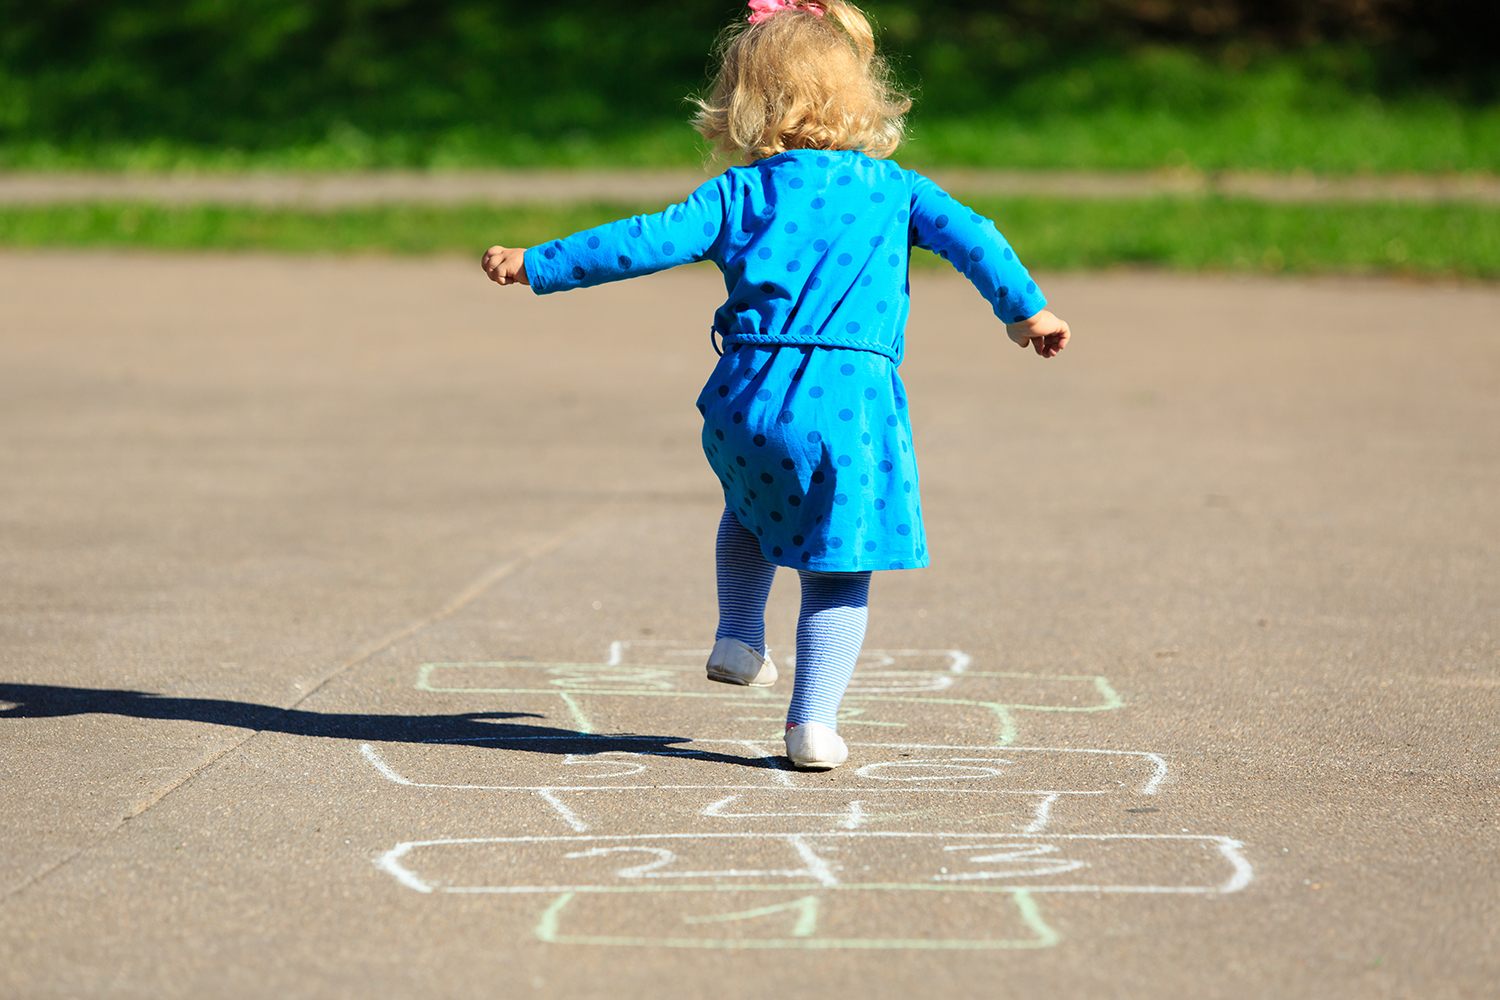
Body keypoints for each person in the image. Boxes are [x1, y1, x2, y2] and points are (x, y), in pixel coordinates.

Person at [481, 0, 1070, 771]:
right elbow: (978, 238)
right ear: (860, 94)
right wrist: (1025, 311)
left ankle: (738, 633)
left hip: (744, 400)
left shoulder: (739, 192)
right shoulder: (897, 190)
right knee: (839, 566)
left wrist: (540, 262)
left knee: (752, 509)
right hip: (846, 403)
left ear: (742, 103)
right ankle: (811, 725)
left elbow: (643, 240)